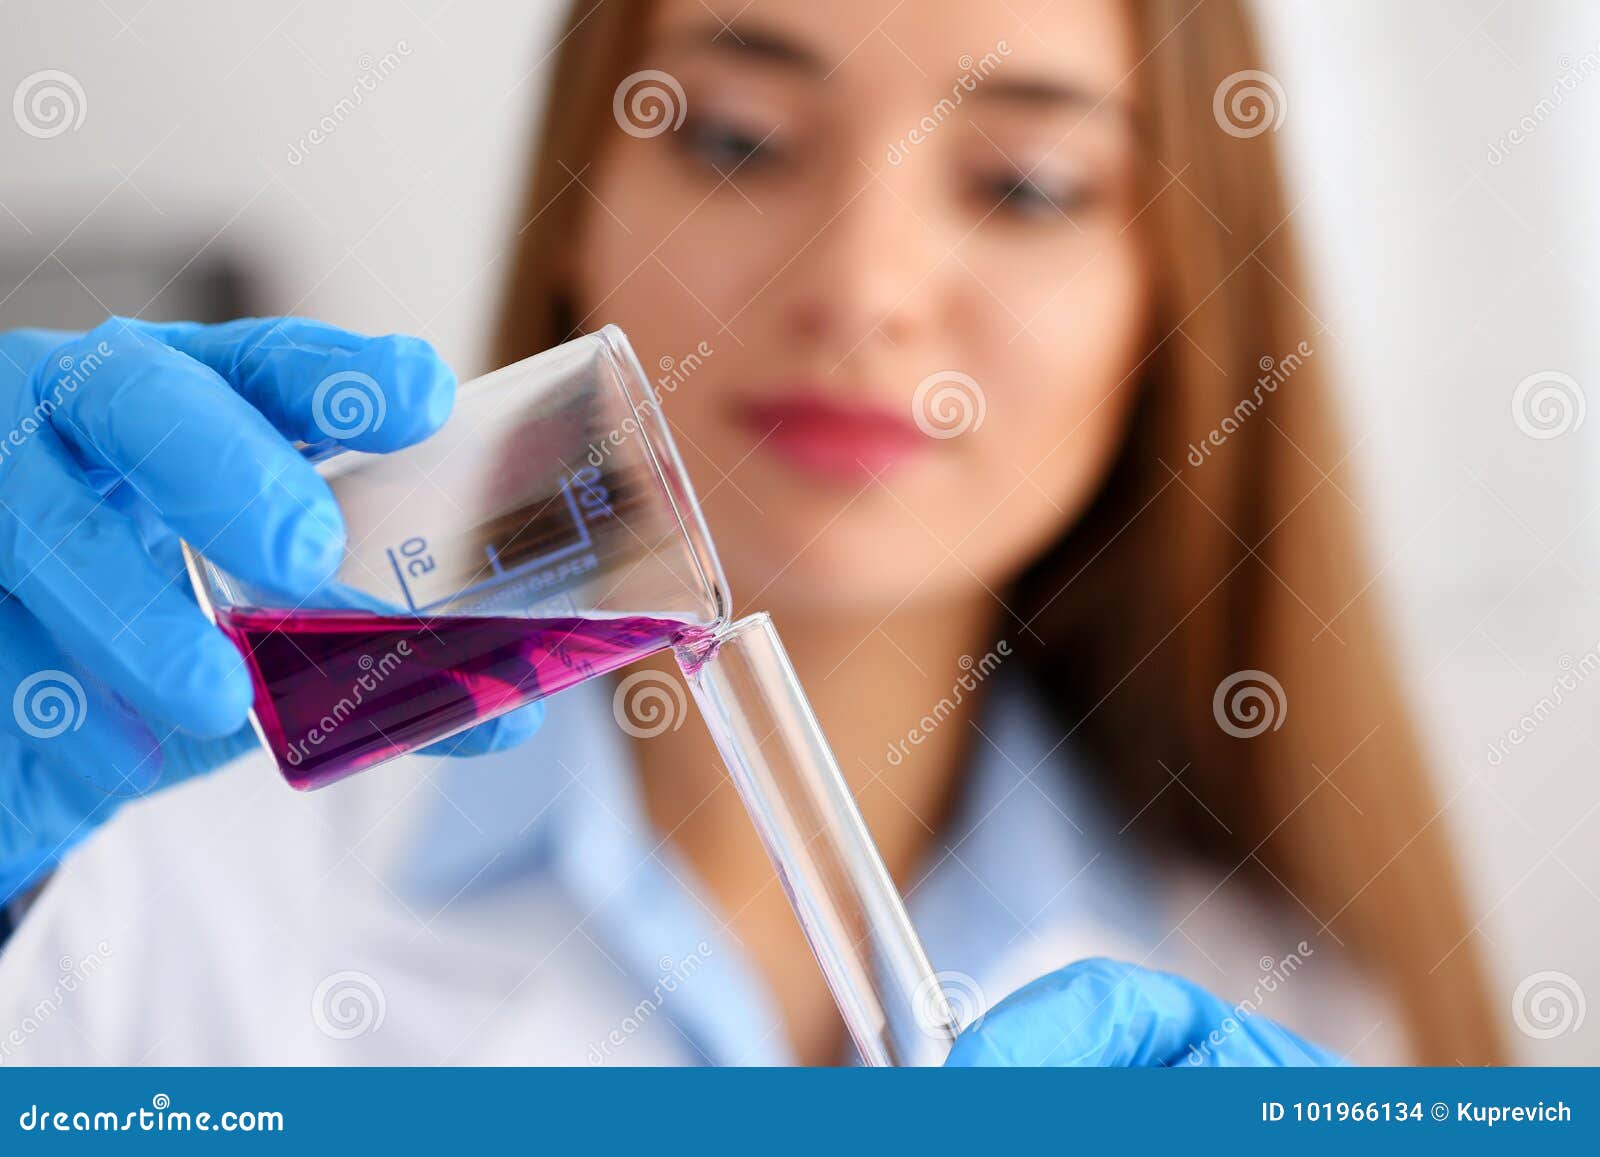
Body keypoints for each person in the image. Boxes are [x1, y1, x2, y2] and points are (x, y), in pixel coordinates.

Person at [0, 0, 1500, 1066]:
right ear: (580, 204)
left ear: (1171, 299)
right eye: (737, 138)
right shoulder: (126, 894)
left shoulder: (1296, 1013)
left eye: (1027, 183)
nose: (861, 284)